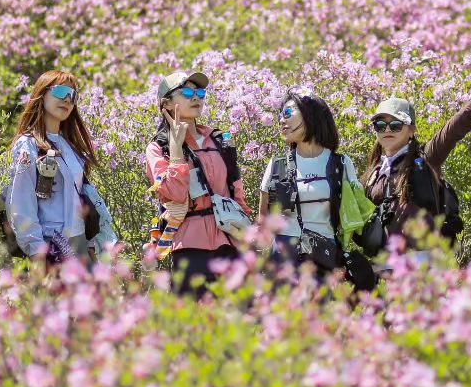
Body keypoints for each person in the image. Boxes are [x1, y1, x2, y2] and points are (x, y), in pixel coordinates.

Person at [364, 62, 471, 256]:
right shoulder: (374, 172)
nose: (387, 130)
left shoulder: (425, 158)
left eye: (396, 125)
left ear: (412, 131)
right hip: (385, 263)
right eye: (380, 125)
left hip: (422, 261)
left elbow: (456, 126)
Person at [143, 70, 250, 296]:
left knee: (236, 320)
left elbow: (235, 188)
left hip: (228, 240)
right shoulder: (157, 148)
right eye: (187, 92)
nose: (196, 97)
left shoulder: (218, 139)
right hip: (189, 245)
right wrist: (175, 150)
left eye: (200, 92)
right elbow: (174, 193)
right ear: (167, 104)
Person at [4, 70, 114, 264]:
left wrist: (91, 250)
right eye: (61, 91)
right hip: (50, 246)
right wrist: (37, 251)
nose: (67, 100)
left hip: (80, 245)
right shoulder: (27, 145)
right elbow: (20, 204)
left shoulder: (70, 147)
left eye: (73, 95)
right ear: (42, 94)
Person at [257, 89, 367, 284]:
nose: (282, 120)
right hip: (283, 256)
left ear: (310, 115)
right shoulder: (277, 164)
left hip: (323, 255)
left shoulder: (340, 163)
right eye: (280, 114)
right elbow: (263, 221)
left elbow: (354, 213)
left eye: (288, 113)